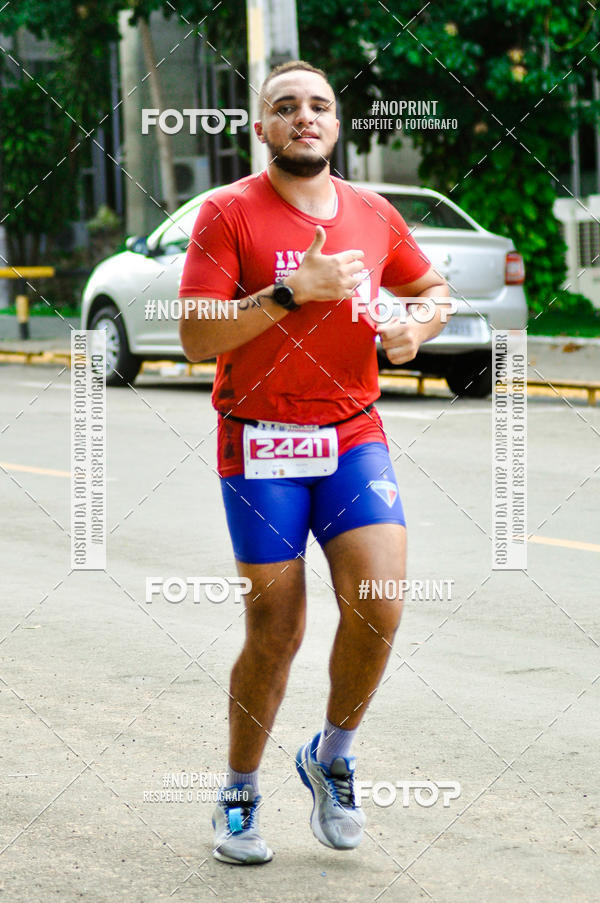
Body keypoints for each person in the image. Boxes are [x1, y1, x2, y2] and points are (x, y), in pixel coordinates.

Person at [178, 60, 450, 865]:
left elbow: (433, 287)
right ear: (262, 127)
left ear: (338, 126)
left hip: (352, 431)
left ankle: (332, 755)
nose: (305, 115)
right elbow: (196, 336)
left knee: (380, 602)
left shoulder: (373, 212)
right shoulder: (227, 215)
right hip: (260, 439)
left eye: (320, 105)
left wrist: (418, 327)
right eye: (285, 106)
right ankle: (238, 791)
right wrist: (293, 292)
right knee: (277, 629)